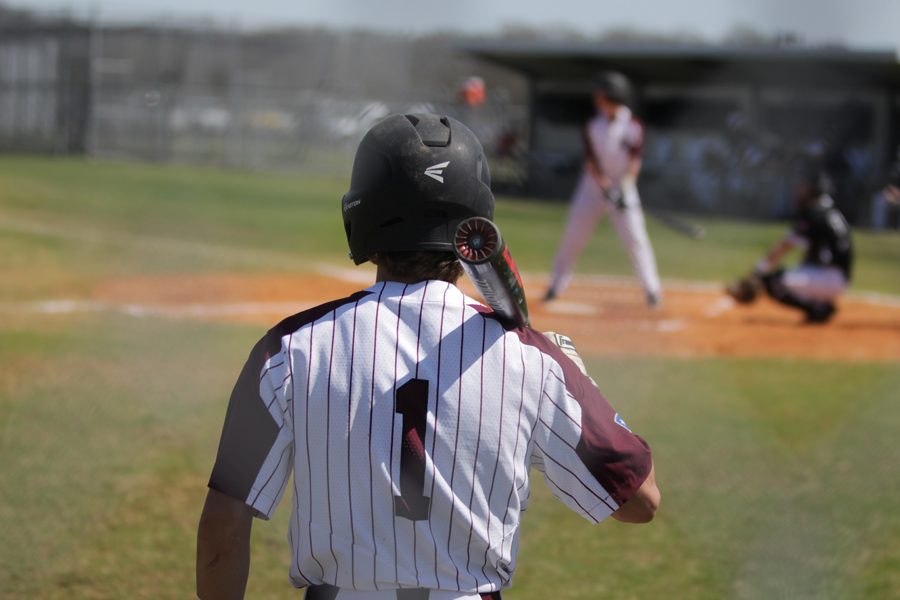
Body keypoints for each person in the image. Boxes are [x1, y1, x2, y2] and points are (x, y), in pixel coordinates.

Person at [196, 113, 660, 600]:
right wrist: (576, 377)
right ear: (477, 223)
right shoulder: (533, 359)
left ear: (362, 212)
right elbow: (640, 500)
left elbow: (223, 524)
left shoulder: (289, 347)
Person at [543, 71, 663, 308]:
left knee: (636, 238)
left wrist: (624, 187)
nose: (597, 98)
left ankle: (652, 290)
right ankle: (556, 286)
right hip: (592, 187)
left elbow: (634, 162)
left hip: (623, 186)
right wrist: (603, 184)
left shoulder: (633, 126)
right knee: (573, 235)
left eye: (602, 93)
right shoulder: (592, 125)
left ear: (614, 95)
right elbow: (591, 161)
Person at [728, 165, 853, 323]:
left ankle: (818, 309)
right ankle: (821, 302)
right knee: (794, 270)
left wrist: (757, 273)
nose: (799, 191)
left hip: (827, 278)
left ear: (814, 189)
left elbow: (784, 246)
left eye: (803, 187)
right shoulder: (829, 210)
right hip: (837, 278)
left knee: (773, 281)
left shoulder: (813, 213)